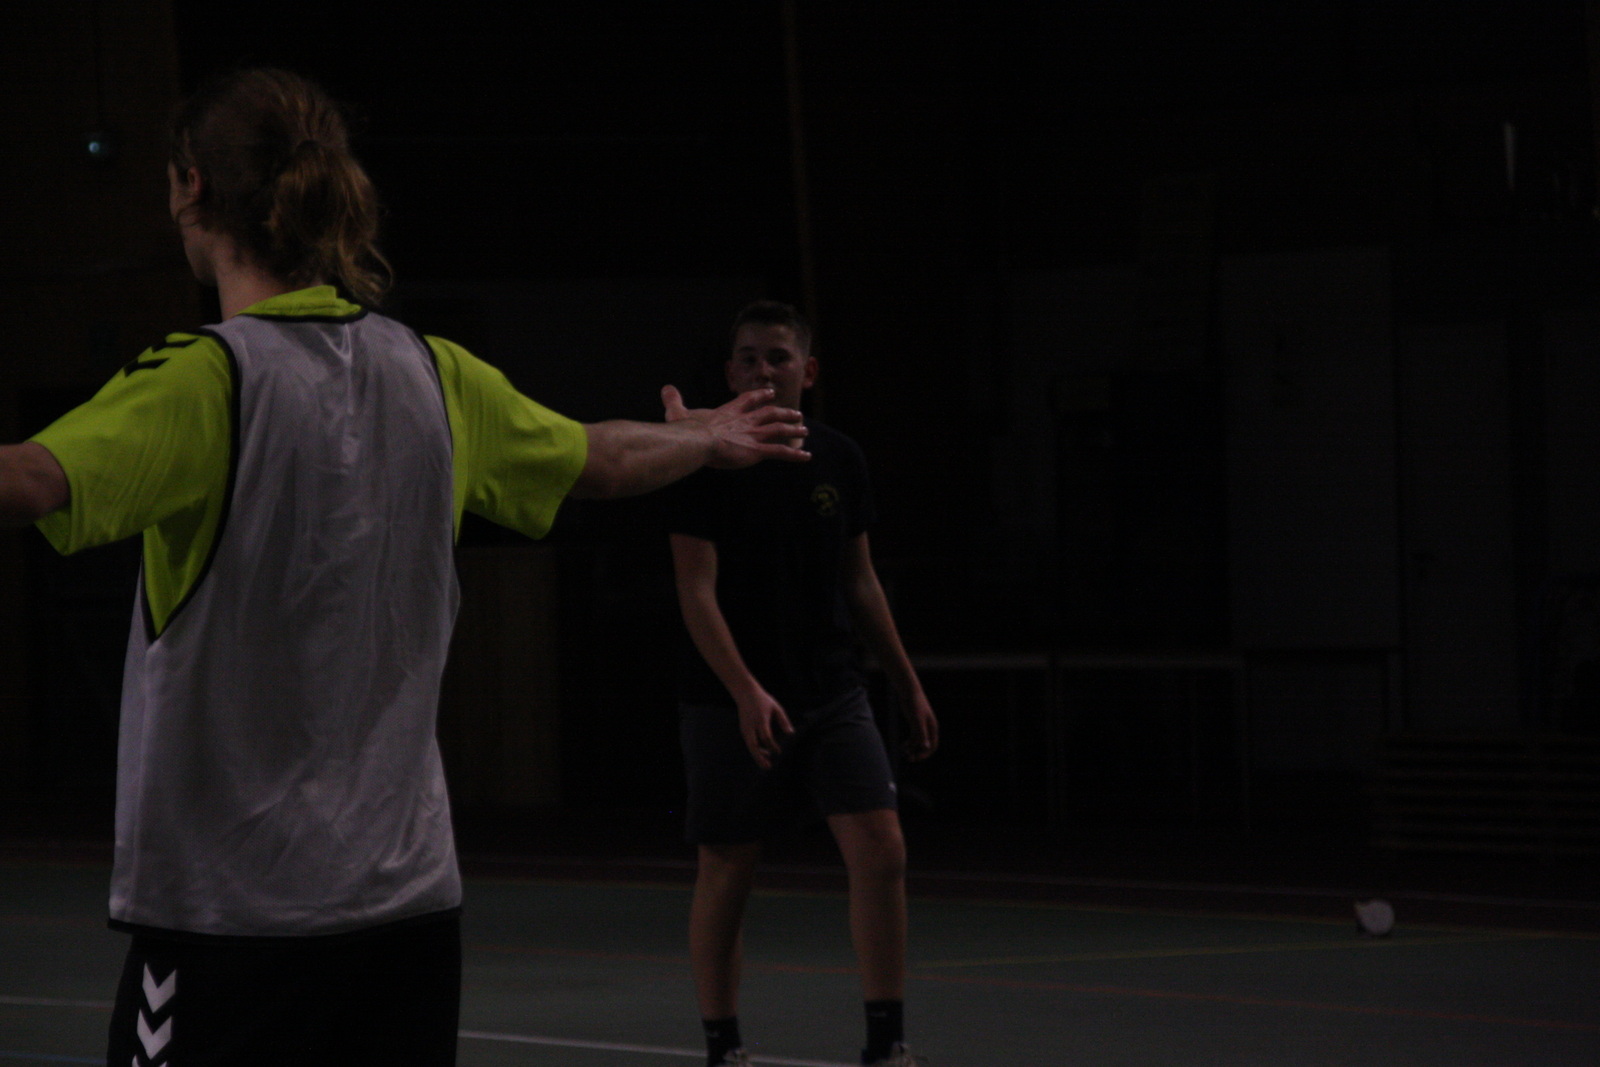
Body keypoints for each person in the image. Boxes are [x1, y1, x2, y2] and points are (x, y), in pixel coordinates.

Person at [0, 68, 809, 1066]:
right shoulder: (433, 371)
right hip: (407, 916)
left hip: (233, 919)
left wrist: (700, 440)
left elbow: (30, 479)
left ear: (189, 187)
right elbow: (599, 458)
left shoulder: (205, 379)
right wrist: (704, 440)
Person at [666, 301, 939, 1067]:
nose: (763, 369)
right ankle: (724, 1044)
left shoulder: (839, 458)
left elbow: (861, 581)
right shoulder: (700, 460)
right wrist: (745, 689)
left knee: (881, 846)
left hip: (831, 688)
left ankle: (886, 1041)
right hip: (728, 695)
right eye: (749, 357)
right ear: (730, 373)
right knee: (728, 864)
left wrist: (906, 681)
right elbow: (695, 591)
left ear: (807, 371)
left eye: (778, 357)